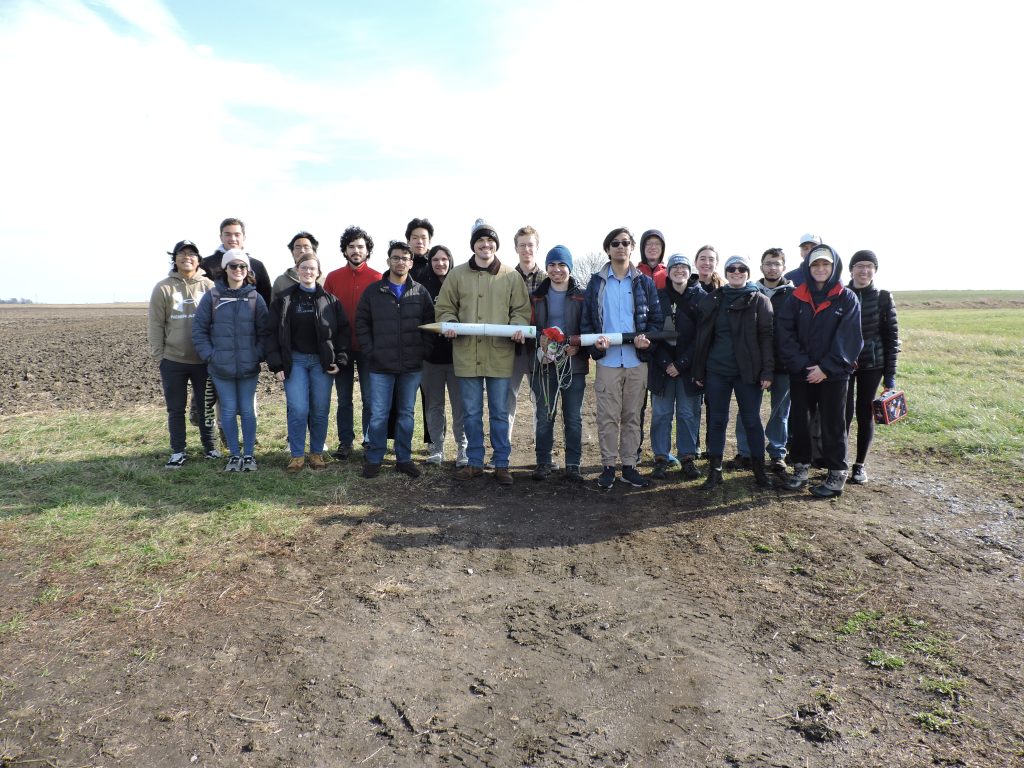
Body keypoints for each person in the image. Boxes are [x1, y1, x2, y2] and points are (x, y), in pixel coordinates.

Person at [434, 218, 531, 486]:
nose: (485, 245)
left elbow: (521, 310)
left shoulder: (511, 276)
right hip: (467, 355)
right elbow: (445, 307)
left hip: (500, 355)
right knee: (471, 412)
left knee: (499, 412)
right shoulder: (457, 275)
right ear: (473, 245)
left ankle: (501, 464)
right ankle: (474, 462)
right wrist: (450, 323)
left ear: (496, 245)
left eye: (489, 241)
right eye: (480, 241)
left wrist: (517, 326)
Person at [777, 244, 863, 497]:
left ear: (834, 266)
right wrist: (804, 366)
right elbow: (785, 334)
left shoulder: (846, 297)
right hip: (802, 373)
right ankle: (801, 468)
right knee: (800, 422)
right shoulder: (796, 297)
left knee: (833, 424)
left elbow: (850, 338)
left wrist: (826, 368)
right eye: (815, 264)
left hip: (834, 374)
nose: (820, 269)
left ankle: (836, 474)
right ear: (808, 267)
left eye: (825, 264)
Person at [581, 227, 663, 490]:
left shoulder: (644, 283)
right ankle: (608, 467)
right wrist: (595, 345)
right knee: (607, 418)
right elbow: (587, 320)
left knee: (632, 417)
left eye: (625, 243)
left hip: (636, 362)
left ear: (631, 248)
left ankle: (629, 467)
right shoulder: (596, 283)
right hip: (607, 362)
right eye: (615, 243)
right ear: (608, 249)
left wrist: (647, 341)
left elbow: (655, 320)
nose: (620, 247)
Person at [692, 255, 775, 489]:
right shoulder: (714, 299)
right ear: (726, 271)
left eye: (741, 268)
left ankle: (759, 471)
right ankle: (715, 471)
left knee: (751, 420)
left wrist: (767, 371)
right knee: (717, 420)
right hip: (717, 370)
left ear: (748, 272)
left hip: (748, 372)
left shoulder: (760, 301)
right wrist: (699, 370)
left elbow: (767, 338)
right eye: (732, 268)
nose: (736, 272)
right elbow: (703, 337)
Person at [355, 240, 436, 478]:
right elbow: (362, 323)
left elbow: (430, 325)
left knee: (406, 413)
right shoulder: (373, 292)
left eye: (405, 258)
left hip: (411, 366)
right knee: (379, 413)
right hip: (380, 365)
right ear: (388, 261)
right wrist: (371, 352)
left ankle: (404, 458)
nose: (400, 262)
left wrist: (423, 351)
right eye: (396, 258)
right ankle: (374, 458)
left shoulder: (420, 292)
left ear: (411, 263)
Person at [266, 250, 350, 473]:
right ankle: (296, 455)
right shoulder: (284, 299)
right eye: (304, 268)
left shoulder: (330, 301)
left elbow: (342, 331)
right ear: (297, 270)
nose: (308, 272)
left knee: (320, 409)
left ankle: (316, 453)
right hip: (295, 361)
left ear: (318, 272)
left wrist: (341, 358)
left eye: (312, 268)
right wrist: (276, 364)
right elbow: (270, 332)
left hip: (322, 363)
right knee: (298, 408)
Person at [192, 249, 270, 472]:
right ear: (225, 268)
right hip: (220, 367)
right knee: (227, 410)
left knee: (247, 410)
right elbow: (199, 330)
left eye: (242, 266)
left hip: (248, 367)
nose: (238, 270)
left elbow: (265, 332)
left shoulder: (255, 298)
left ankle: (249, 456)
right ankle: (234, 455)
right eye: (233, 266)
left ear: (248, 270)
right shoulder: (212, 297)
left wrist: (257, 354)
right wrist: (211, 355)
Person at [148, 239, 219, 468]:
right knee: (175, 408)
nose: (187, 257)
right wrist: (160, 356)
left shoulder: (209, 286)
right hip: (173, 360)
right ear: (175, 259)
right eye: (182, 253)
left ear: (198, 260)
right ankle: (178, 451)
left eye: (191, 254)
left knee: (206, 406)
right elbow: (156, 324)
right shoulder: (163, 288)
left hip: (203, 360)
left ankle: (210, 448)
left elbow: (218, 322)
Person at [730, 247, 795, 474]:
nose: (772, 268)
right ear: (761, 267)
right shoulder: (750, 292)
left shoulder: (793, 295)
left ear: (784, 267)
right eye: (768, 263)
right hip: (754, 363)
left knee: (780, 411)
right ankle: (745, 452)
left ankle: (777, 453)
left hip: (783, 363)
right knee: (747, 409)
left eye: (777, 264)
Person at [529, 245, 588, 483]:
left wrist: (579, 346)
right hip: (544, 366)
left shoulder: (582, 296)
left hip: (574, 365)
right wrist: (540, 338)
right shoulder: (537, 297)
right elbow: (528, 327)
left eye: (562, 265)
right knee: (545, 415)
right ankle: (543, 462)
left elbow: (589, 326)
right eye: (552, 265)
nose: (557, 269)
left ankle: (573, 464)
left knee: (573, 417)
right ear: (546, 268)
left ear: (569, 268)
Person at [323, 226, 382, 459]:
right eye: (351, 247)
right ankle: (345, 442)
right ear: (345, 250)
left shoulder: (378, 278)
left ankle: (369, 440)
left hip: (369, 348)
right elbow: (324, 313)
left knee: (370, 398)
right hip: (342, 349)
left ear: (367, 251)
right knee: (344, 399)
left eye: (360, 247)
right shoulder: (333, 278)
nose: (356, 251)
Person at [845, 249, 900, 485]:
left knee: (864, 413)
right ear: (851, 270)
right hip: (843, 364)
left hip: (873, 364)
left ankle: (859, 466)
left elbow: (891, 338)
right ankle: (839, 463)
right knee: (842, 413)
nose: (864, 270)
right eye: (860, 266)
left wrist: (890, 377)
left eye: (869, 266)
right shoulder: (840, 294)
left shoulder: (883, 298)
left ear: (874, 270)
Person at [649, 253, 705, 480]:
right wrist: (666, 363)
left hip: (689, 368)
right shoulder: (658, 297)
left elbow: (702, 336)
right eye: (675, 267)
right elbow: (652, 329)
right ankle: (661, 458)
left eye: (684, 267)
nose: (679, 271)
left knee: (688, 414)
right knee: (661, 414)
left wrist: (681, 364)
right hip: (662, 367)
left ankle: (687, 458)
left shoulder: (701, 297)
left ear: (689, 271)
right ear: (668, 271)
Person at [418, 245, 468, 467]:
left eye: (444, 259)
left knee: (460, 406)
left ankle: (463, 449)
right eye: (435, 259)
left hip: (458, 357)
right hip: (431, 358)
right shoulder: (422, 286)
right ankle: (437, 448)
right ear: (430, 262)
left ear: (450, 260)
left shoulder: (459, 283)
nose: (440, 263)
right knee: (434, 405)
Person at [502, 225, 546, 463]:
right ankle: (503, 454)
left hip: (539, 350)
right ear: (516, 248)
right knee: (506, 401)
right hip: (513, 348)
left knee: (541, 401)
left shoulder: (547, 278)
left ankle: (543, 454)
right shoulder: (507, 277)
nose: (526, 249)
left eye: (530, 245)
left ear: (537, 247)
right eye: (522, 245)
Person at [200, 217, 272, 306]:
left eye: (237, 234)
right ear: (221, 237)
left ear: (244, 237)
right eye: (228, 234)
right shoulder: (205, 264)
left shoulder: (257, 265)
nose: (233, 239)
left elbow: (266, 298)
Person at [271, 231, 325, 303]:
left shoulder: (325, 282)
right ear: (292, 252)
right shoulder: (281, 282)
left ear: (314, 252)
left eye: (306, 247)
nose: (302, 251)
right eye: (297, 247)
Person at [405, 217, 434, 282]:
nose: (420, 241)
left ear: (429, 241)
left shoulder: (436, 264)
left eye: (424, 238)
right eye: (415, 238)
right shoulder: (401, 264)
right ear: (408, 241)